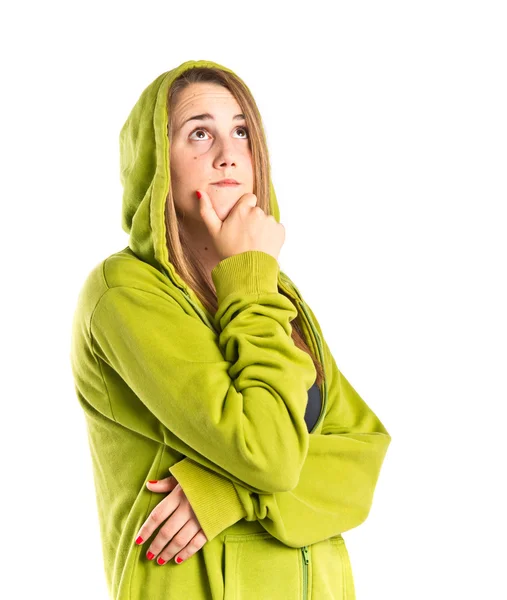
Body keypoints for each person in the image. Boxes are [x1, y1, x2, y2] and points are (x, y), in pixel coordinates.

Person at [69, 59, 392, 600]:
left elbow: (362, 456)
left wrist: (228, 494)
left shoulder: (271, 293)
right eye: (199, 133)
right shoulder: (124, 293)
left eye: (241, 131)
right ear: (156, 163)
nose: (228, 154)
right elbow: (266, 453)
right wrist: (251, 280)